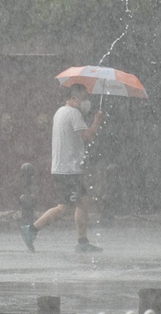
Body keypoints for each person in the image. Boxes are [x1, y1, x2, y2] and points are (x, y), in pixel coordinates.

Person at [21, 83, 104, 253]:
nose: (86, 100)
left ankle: (82, 241)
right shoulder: (73, 113)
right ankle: (32, 229)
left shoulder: (60, 111)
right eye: (83, 96)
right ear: (74, 98)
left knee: (82, 201)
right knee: (63, 207)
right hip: (69, 170)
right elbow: (87, 136)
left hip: (65, 168)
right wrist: (97, 121)